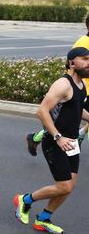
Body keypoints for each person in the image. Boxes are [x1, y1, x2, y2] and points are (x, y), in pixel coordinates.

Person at [13, 47, 89, 234]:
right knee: (64, 185)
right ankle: (25, 200)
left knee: (68, 187)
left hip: (71, 142)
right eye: (85, 59)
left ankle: (44, 219)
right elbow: (42, 111)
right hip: (55, 142)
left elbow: (76, 109)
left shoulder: (81, 84)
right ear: (72, 63)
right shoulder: (63, 84)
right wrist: (57, 136)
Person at [26, 15, 89, 156]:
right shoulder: (84, 42)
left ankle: (75, 137)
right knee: (64, 121)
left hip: (83, 88)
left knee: (71, 120)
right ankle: (42, 137)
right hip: (80, 89)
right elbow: (74, 66)